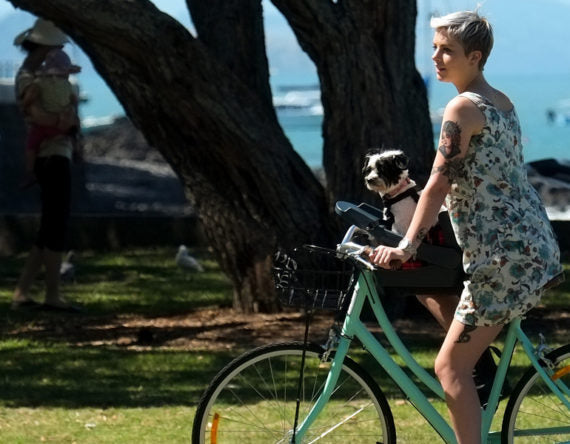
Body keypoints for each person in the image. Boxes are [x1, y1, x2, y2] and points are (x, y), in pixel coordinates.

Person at [369, 10, 563, 444]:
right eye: (435, 48)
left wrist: (406, 244)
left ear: (474, 57)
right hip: (529, 246)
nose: (436, 57)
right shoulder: (501, 101)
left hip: (503, 258)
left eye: (447, 51)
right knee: (435, 294)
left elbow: (439, 182)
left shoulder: (462, 107)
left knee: (449, 367)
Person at [11, 18, 82, 313]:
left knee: (48, 228)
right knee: (55, 225)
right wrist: (64, 123)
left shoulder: (36, 75)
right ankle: (52, 294)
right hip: (51, 155)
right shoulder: (30, 78)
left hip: (52, 153)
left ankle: (22, 292)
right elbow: (37, 116)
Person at [20, 47, 81, 188]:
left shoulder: (38, 84)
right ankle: (77, 150)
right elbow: (74, 101)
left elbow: (29, 98)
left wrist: (25, 106)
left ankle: (29, 172)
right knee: (74, 131)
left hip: (43, 127)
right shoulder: (69, 86)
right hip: (64, 128)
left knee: (31, 145)